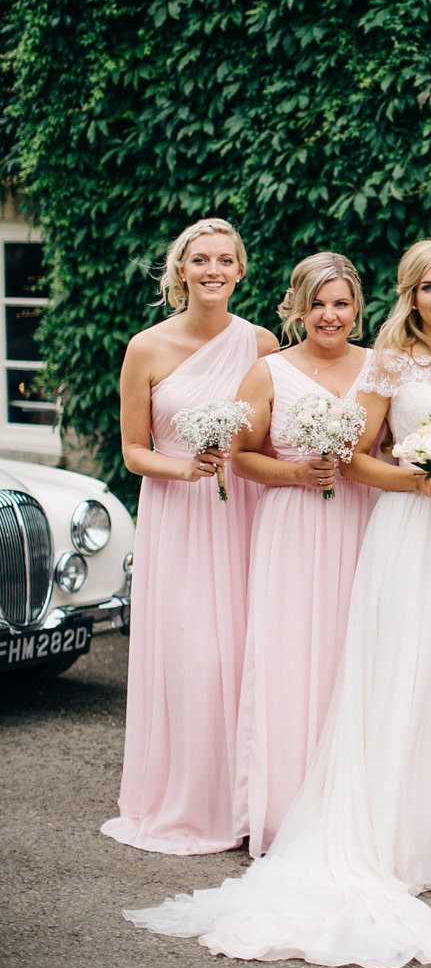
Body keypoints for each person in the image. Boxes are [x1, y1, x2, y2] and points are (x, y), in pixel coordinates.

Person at [124, 239, 431, 967]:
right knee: (369, 669)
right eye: (427, 286)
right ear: (409, 295)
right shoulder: (372, 362)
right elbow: (361, 451)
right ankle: (345, 822)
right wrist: (414, 478)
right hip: (392, 522)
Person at [102, 217, 278, 854]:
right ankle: (190, 800)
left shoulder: (260, 343)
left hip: (244, 513)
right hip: (178, 514)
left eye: (224, 260)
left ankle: (247, 796)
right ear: (181, 270)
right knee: (194, 655)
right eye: (199, 260)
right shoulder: (145, 348)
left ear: (239, 271)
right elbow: (131, 451)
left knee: (244, 648)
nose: (212, 270)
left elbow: (269, 431)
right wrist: (187, 467)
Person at [232, 253, 375, 857]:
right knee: (292, 656)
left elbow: (391, 446)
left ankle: (354, 803)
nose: (329, 315)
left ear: (356, 309)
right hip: (291, 529)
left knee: (355, 654)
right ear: (296, 307)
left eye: (340, 303)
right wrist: (295, 473)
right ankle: (284, 805)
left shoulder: (379, 368)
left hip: (362, 523)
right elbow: (242, 457)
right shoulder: (268, 373)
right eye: (317, 302)